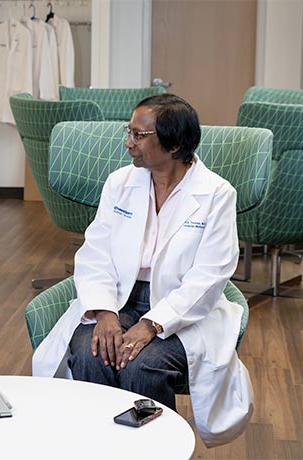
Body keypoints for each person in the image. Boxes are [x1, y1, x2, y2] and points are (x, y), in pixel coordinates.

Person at [32, 94, 253, 447]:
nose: (128, 143)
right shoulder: (120, 183)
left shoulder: (216, 194)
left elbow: (210, 275)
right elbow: (96, 253)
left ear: (175, 144)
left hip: (181, 308)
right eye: (129, 131)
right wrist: (105, 312)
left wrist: (152, 323)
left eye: (138, 135)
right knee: (92, 355)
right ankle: (98, 448)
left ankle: (154, 450)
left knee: (142, 366)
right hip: (118, 296)